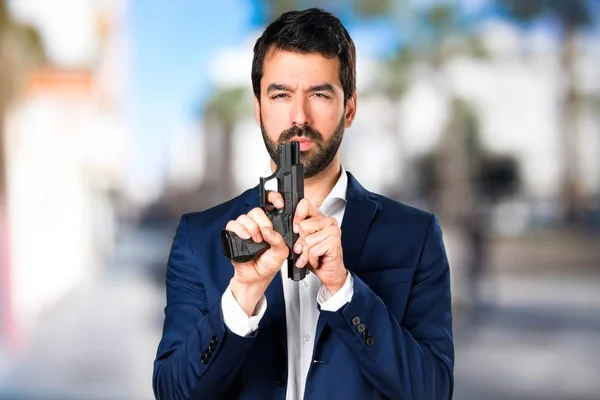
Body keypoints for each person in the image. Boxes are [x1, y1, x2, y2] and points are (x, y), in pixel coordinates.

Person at [152, 8, 454, 400]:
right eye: (280, 95)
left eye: (319, 94)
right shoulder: (200, 237)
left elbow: (433, 391)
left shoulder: (415, 235)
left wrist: (345, 290)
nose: (299, 116)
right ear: (258, 107)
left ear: (349, 108)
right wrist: (243, 294)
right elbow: (173, 393)